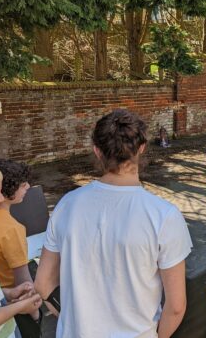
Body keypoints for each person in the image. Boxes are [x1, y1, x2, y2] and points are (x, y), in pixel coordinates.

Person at [35, 109, 193, 338]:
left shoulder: (67, 205)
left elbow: (43, 284)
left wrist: (72, 320)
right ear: (142, 148)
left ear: (97, 151)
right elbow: (176, 306)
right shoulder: (164, 216)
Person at [0, 157, 41, 338]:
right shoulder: (12, 230)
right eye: (22, 183)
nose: (28, 187)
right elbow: (23, 280)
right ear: (8, 188)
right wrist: (35, 314)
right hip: (11, 309)